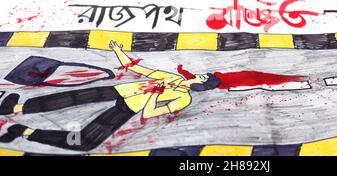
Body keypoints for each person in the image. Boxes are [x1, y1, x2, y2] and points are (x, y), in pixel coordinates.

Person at [0, 41, 307, 151]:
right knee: (73, 98)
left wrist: (156, 95)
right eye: (200, 76)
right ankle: (18, 105)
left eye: (202, 81)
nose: (196, 79)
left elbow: (149, 114)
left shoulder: (182, 99)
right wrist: (120, 52)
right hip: (120, 89)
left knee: (87, 141)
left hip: (129, 105)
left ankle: (24, 131)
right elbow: (141, 70)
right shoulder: (173, 78)